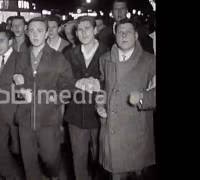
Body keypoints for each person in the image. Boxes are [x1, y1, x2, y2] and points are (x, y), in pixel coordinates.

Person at [13, 16, 97, 180]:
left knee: (50, 160)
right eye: (31, 31)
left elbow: (68, 88)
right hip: (25, 118)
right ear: (27, 33)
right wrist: (20, 90)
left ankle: (54, 175)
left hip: (48, 120)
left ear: (46, 34)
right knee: (29, 164)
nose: (35, 34)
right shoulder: (21, 56)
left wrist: (50, 98)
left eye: (39, 31)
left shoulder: (58, 58)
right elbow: (16, 83)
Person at [98, 18, 156, 180]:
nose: (123, 35)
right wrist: (100, 103)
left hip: (138, 130)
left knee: (138, 174)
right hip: (113, 131)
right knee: (116, 175)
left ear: (136, 35)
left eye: (128, 32)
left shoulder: (150, 61)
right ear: (115, 35)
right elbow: (102, 87)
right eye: (120, 32)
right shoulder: (105, 59)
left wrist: (143, 98)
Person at [63, 16, 109, 180]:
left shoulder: (109, 52)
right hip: (76, 114)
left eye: (87, 28)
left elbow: (116, 82)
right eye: (79, 29)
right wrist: (76, 82)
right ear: (76, 33)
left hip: (100, 114)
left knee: (101, 156)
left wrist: (100, 84)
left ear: (95, 30)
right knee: (78, 158)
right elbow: (62, 81)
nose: (83, 33)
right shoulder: (69, 54)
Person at [0, 28, 24, 180]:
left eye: (1, 40)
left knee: (18, 148)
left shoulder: (21, 58)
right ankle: (7, 175)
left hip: (15, 111)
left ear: (10, 42)